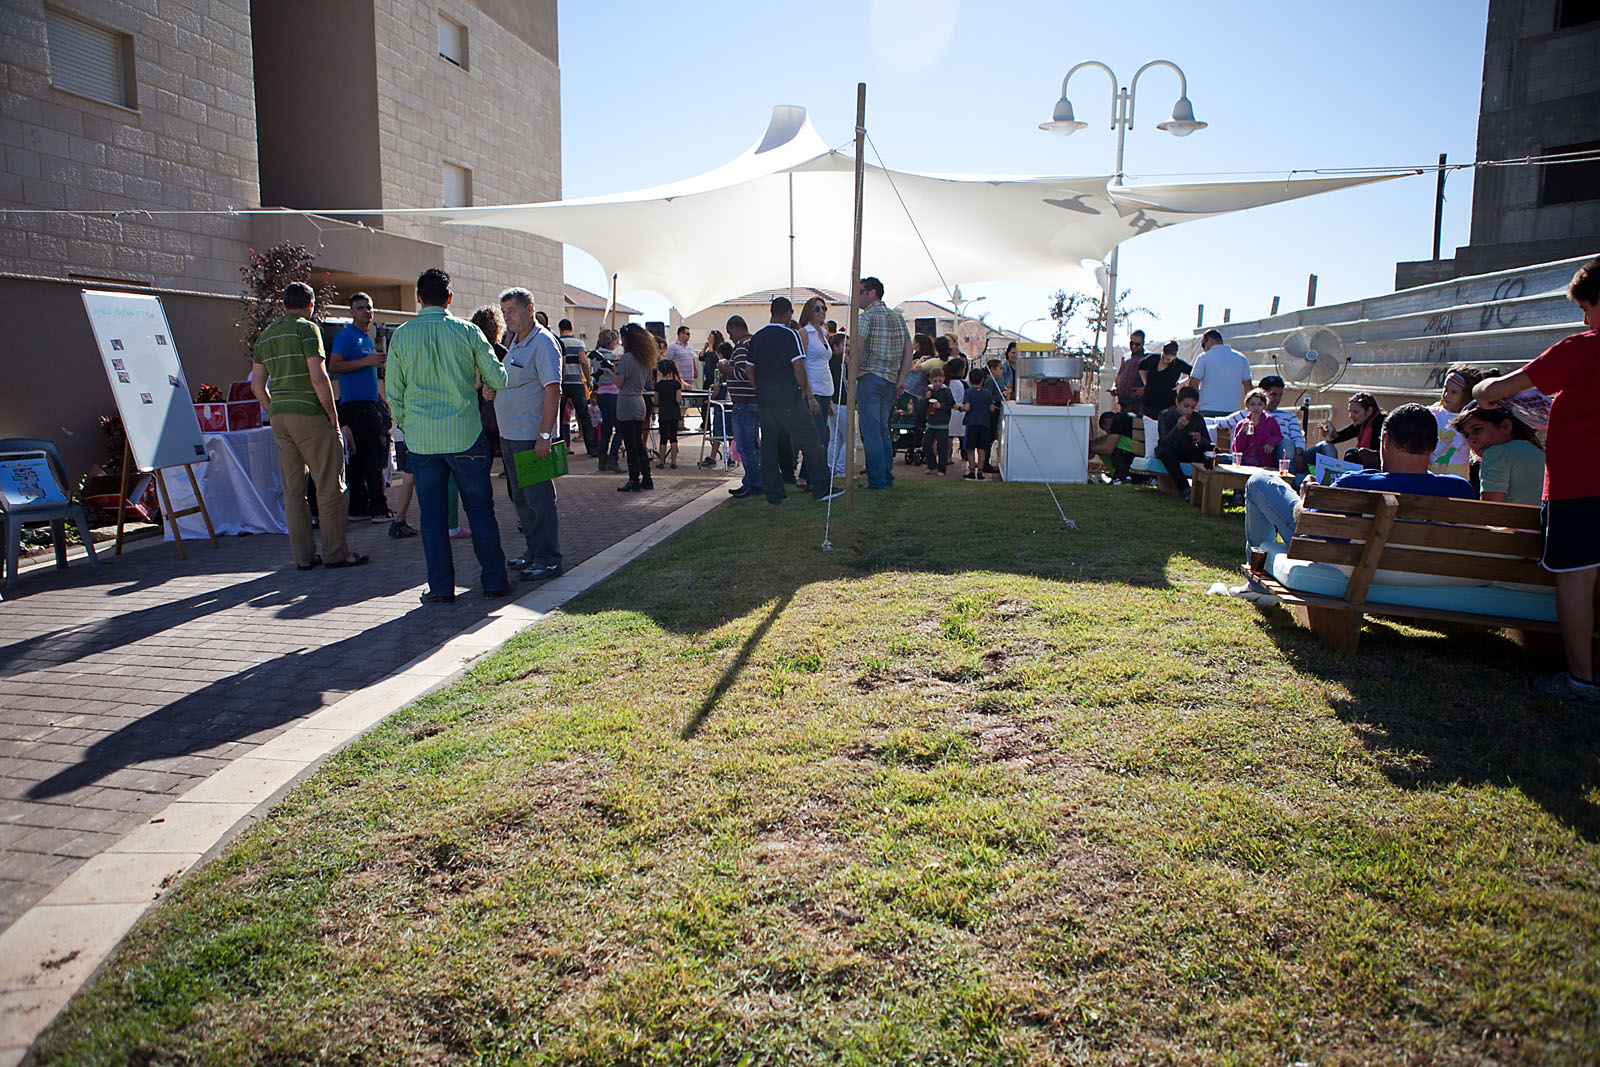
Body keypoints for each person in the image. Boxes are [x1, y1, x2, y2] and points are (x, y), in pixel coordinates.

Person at [1473, 256, 1600, 707]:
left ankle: (1582, 680)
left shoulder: (1581, 348)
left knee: (1576, 581)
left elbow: (1497, 390)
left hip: (1580, 485)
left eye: (1586, 308)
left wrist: (1480, 389)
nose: (1584, 320)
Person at [386, 267, 511, 603]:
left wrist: (409, 425)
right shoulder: (469, 332)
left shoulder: (402, 335)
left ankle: (441, 588)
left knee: (432, 518)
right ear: (450, 298)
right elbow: (498, 379)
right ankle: (495, 581)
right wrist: (479, 382)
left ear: (418, 298)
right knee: (481, 511)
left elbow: (394, 392)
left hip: (423, 440)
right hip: (465, 433)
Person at [1243, 403, 1475, 557]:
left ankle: (1258, 584)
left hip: (1352, 568)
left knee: (1260, 481)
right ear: (1434, 445)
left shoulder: (1353, 484)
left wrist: (1307, 496)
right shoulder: (1459, 489)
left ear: (1385, 440)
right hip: (1426, 573)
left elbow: (1310, 529)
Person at [250, 282, 366, 570]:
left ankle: (303, 557)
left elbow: (256, 385)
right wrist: (333, 417)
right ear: (310, 305)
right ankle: (336, 553)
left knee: (293, 490)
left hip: (280, 417)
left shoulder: (266, 335)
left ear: (283, 304)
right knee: (329, 486)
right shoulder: (307, 329)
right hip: (310, 414)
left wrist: (274, 410)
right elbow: (318, 376)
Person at [496, 288, 563, 582]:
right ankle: (533, 553)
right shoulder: (515, 342)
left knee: (539, 500)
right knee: (522, 500)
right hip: (510, 434)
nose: (507, 317)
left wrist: (545, 435)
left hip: (530, 437)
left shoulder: (543, 342)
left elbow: (553, 389)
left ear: (529, 309)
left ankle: (549, 559)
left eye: (511, 310)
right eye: (504, 312)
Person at [748, 296, 838, 504]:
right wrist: (805, 390)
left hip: (765, 399)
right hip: (788, 397)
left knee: (769, 446)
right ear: (789, 313)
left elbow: (749, 368)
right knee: (811, 440)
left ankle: (775, 494)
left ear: (772, 312)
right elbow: (798, 367)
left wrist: (758, 388)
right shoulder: (790, 335)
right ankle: (822, 487)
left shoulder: (758, 337)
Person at [327, 292, 391, 523]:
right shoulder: (347, 336)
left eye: (369, 307)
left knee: (362, 458)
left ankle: (358, 508)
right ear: (352, 312)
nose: (366, 312)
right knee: (371, 457)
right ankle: (378, 509)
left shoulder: (366, 338)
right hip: (355, 407)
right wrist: (366, 361)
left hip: (370, 403)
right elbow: (334, 366)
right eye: (361, 308)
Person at [853, 276, 914, 490]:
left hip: (870, 377)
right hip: (890, 380)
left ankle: (877, 480)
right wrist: (902, 378)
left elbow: (858, 345)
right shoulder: (897, 318)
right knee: (882, 430)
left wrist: (855, 371)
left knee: (871, 432)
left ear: (872, 293)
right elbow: (909, 349)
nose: (857, 296)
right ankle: (886, 476)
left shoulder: (866, 317)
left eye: (860, 292)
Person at [1449, 405, 1544, 506]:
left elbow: (1490, 509)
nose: (1471, 440)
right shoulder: (1538, 451)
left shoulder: (1496, 453)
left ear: (1505, 426)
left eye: (1477, 430)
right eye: (1466, 435)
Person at [721, 316, 763, 499]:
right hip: (755, 401)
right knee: (753, 445)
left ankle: (754, 484)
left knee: (745, 447)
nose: (730, 337)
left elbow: (742, 373)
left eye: (730, 332)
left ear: (735, 328)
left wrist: (725, 368)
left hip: (744, 403)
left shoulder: (741, 347)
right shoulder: (754, 343)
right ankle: (752, 480)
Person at [614, 323, 658, 492]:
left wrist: (610, 373)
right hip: (639, 401)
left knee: (630, 443)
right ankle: (646, 477)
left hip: (626, 401)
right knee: (638, 442)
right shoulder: (645, 359)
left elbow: (619, 383)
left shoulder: (626, 359)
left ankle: (633, 479)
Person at [796, 296, 835, 477]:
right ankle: (818, 476)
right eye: (817, 308)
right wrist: (809, 394)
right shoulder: (805, 333)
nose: (821, 312)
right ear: (809, 312)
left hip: (826, 389)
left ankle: (808, 475)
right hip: (813, 389)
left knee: (822, 435)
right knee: (819, 436)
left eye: (824, 308)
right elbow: (801, 364)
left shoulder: (824, 334)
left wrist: (830, 400)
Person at [1154, 385, 1213, 502]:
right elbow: (1165, 442)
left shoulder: (1197, 417)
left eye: (1193, 407)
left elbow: (1208, 443)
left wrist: (1201, 439)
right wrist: (1178, 428)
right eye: (1186, 406)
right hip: (1171, 450)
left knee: (1210, 454)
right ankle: (1185, 488)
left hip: (1188, 449)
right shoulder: (1165, 415)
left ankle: (1209, 490)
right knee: (1166, 453)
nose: (1189, 411)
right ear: (1178, 402)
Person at [1429, 364, 1483, 480]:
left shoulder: (1469, 419)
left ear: (1466, 395)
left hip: (1458, 477)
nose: (1446, 395)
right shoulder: (1432, 414)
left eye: (1454, 392)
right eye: (1445, 389)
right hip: (1432, 474)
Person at [1189, 329, 1253, 417]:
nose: (1203, 349)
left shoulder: (1203, 358)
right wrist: (1250, 409)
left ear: (1210, 341)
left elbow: (1193, 383)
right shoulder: (1241, 358)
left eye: (1203, 345)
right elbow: (1247, 385)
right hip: (1233, 411)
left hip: (1208, 409)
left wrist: (1193, 404)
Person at [556, 318, 597, 456]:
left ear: (560, 329)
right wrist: (588, 379)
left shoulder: (557, 342)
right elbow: (583, 361)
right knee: (584, 416)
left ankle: (560, 447)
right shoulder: (578, 343)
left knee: (559, 416)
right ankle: (591, 448)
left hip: (562, 383)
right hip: (577, 383)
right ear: (571, 328)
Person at [1314, 393, 1385, 468]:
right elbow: (1342, 436)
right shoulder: (1363, 423)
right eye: (1350, 411)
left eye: (1355, 412)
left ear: (1369, 411)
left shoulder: (1381, 424)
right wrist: (1329, 434)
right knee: (1350, 452)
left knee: (1352, 456)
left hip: (1380, 467)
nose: (1350, 416)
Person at [591, 328, 623, 472]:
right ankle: (613, 458)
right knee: (620, 428)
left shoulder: (595, 356)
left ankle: (602, 459)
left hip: (601, 393)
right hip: (613, 393)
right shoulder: (612, 356)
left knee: (606, 428)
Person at [1231, 388, 1284, 468]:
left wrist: (1270, 442)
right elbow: (1237, 448)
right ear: (1247, 406)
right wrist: (1242, 432)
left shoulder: (1270, 420)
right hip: (1245, 461)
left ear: (1264, 406)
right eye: (1252, 405)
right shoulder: (1242, 424)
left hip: (1263, 461)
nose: (1256, 408)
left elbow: (1278, 436)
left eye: (1259, 404)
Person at [962, 365, 997, 480]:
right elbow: (992, 408)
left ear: (970, 380)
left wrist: (960, 408)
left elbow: (967, 407)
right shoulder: (987, 393)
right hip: (984, 423)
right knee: (982, 449)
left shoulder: (968, 392)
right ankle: (980, 472)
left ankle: (972, 470)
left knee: (970, 448)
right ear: (982, 380)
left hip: (971, 423)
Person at [1139, 340, 1191, 418]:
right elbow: (1141, 366)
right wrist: (1145, 382)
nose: (1165, 361)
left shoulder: (1178, 364)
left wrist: (1181, 384)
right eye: (1163, 357)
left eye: (1168, 359)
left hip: (1167, 403)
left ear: (1174, 356)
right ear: (1162, 351)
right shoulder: (1152, 359)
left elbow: (1194, 373)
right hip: (1149, 401)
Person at [1090, 410, 1138, 483]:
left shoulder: (1117, 421)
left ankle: (1118, 476)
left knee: (1111, 444)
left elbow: (1108, 449)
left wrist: (1090, 448)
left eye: (1106, 430)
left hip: (1139, 449)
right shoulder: (1125, 418)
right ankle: (1116, 475)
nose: (1108, 432)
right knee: (1109, 442)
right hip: (1143, 447)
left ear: (1107, 421)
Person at [654, 358, 683, 469]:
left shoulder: (658, 385)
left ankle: (661, 461)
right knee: (673, 437)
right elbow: (678, 399)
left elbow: (656, 401)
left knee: (663, 438)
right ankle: (673, 462)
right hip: (674, 413)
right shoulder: (676, 384)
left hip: (663, 413)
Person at [923, 368, 953, 475]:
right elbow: (924, 406)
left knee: (942, 447)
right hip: (931, 422)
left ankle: (942, 468)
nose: (937, 384)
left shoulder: (946, 391)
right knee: (926, 444)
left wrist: (941, 406)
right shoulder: (928, 390)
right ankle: (932, 465)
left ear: (943, 379)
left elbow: (951, 404)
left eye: (940, 381)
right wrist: (926, 399)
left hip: (942, 423)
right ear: (930, 380)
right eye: (935, 381)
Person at [1114, 329, 1147, 414]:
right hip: (1123, 401)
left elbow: (1154, 378)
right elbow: (1120, 374)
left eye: (1137, 344)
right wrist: (1115, 387)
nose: (1134, 346)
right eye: (1131, 343)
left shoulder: (1147, 358)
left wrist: (1145, 389)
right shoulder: (1126, 357)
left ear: (1143, 343)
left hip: (1138, 402)